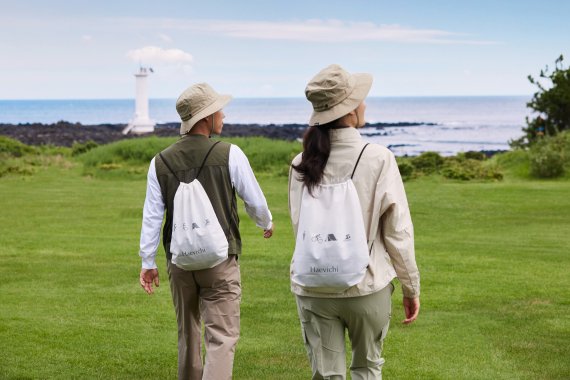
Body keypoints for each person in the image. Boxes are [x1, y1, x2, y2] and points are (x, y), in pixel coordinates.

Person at [288, 64, 420, 379]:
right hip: (367, 284)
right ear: (349, 111)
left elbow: (300, 225)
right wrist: (410, 286)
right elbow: (397, 231)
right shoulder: (378, 157)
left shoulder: (300, 163)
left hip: (313, 284)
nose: (365, 104)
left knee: (326, 373)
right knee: (367, 369)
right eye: (360, 99)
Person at [138, 82, 274, 379]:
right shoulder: (230, 153)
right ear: (205, 118)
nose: (223, 116)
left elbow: (152, 217)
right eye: (218, 110)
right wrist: (265, 223)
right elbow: (254, 200)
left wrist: (148, 263)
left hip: (180, 263)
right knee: (222, 337)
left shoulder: (159, 162)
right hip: (220, 261)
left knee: (188, 336)